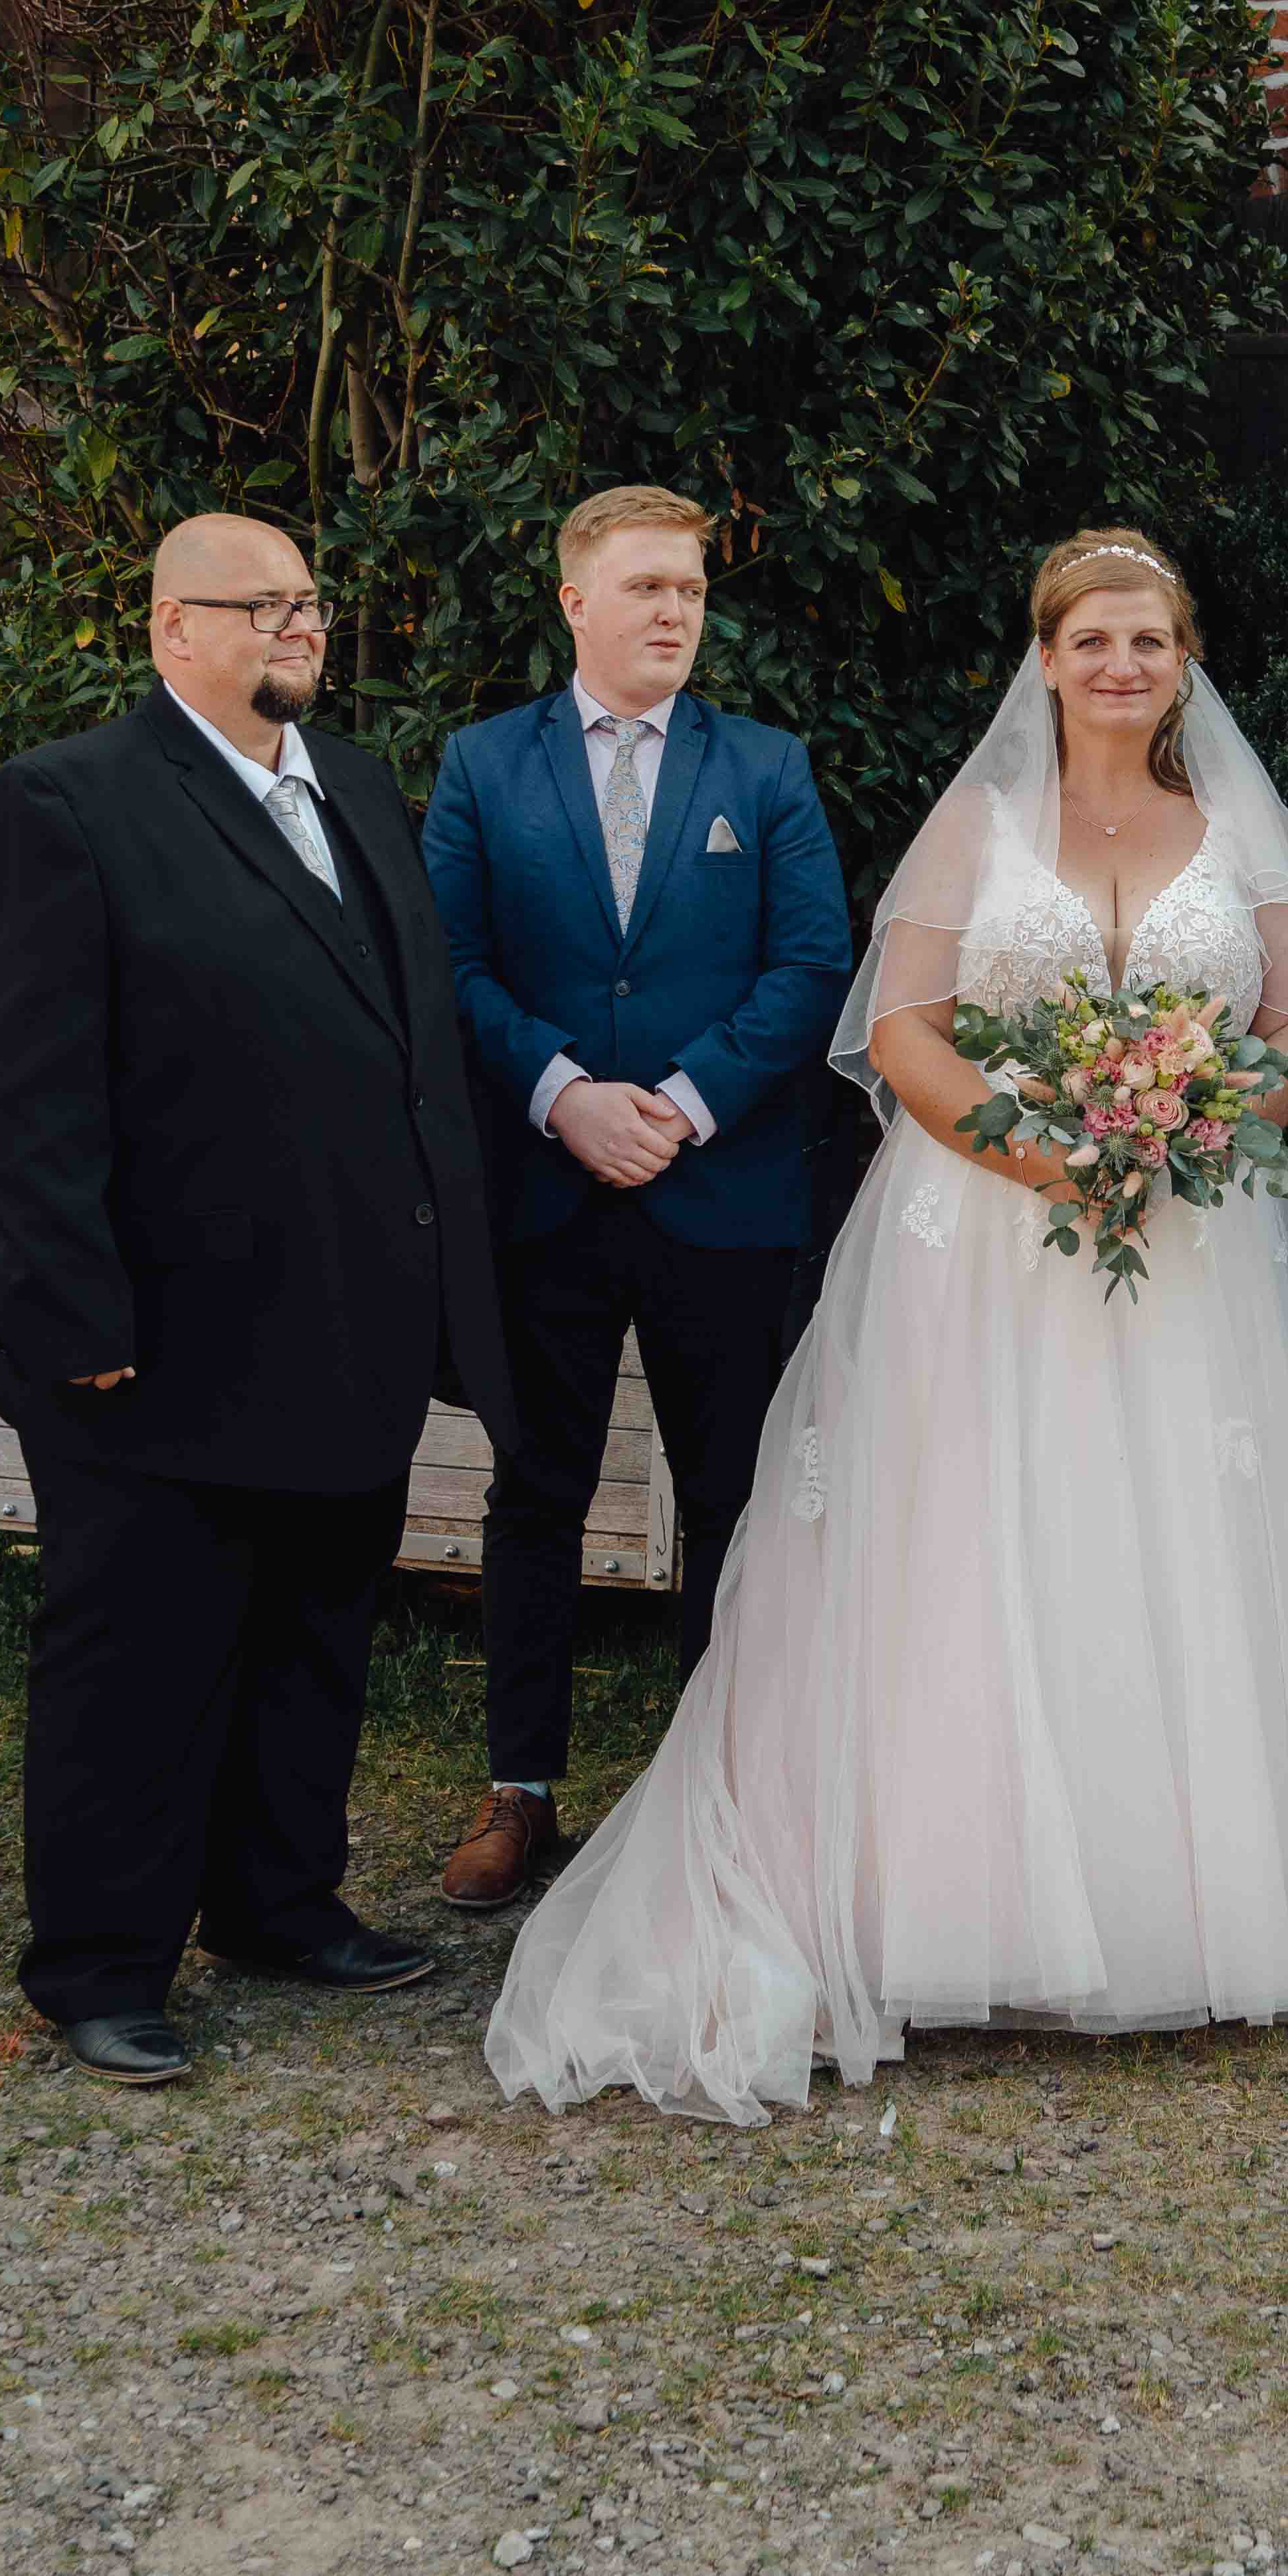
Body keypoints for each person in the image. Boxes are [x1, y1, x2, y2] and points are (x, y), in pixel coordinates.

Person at [484, 532, 1288, 2124]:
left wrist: (1198, 1136)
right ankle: (954, 1902)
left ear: (1184, 655)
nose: (1120, 666)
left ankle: (1183, 1904)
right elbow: (900, 1027)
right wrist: (1048, 1150)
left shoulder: (1245, 831)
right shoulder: (982, 822)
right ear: (1047, 656)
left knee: (1183, 1549)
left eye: (1148, 640)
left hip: (1202, 1240)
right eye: (1090, 641)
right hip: (991, 1239)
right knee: (979, 1541)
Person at [0, 512, 515, 2087]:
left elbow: (407, 1048)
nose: (297, 627)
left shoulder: (353, 786)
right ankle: (99, 1965)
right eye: (258, 605)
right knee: (137, 1657)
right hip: (162, 1339)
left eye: (308, 603)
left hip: (351, 1314)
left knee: (310, 1636)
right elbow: (28, 1095)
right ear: (167, 629)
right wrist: (79, 1328)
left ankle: (277, 1902)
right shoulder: (66, 803)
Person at [417, 486, 854, 1914]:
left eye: (690, 589)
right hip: (542, 1195)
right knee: (534, 1493)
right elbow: (450, 964)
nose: (675, 611)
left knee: (729, 1494)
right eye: (647, 587)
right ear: (574, 605)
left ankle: (720, 1788)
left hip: (718, 1191)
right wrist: (561, 1095)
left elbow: (807, 966)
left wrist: (678, 1104)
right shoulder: (483, 768)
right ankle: (519, 1792)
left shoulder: (766, 767)